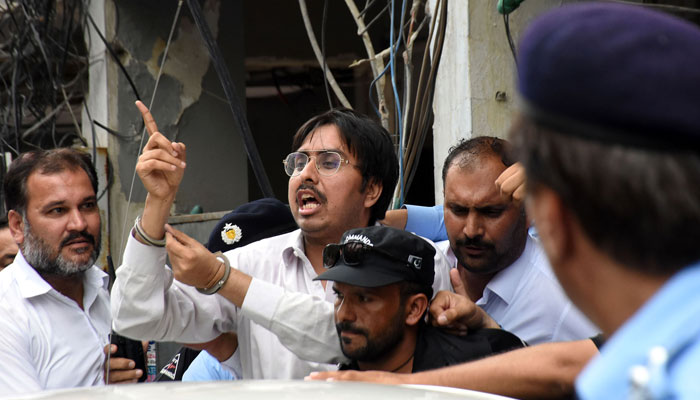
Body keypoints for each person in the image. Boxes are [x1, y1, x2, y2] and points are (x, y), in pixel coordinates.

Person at [111, 104, 453, 379]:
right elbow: (134, 318)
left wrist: (222, 279)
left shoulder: (418, 261)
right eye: (299, 162)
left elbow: (338, 338)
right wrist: (158, 202)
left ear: (373, 189)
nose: (305, 174)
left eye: (329, 162)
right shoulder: (250, 261)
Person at [0, 149, 142, 394]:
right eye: (58, 210)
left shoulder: (105, 290)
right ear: (17, 225)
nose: (79, 224)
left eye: (87, 205)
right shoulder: (7, 312)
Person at [317, 225, 523, 373]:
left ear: (414, 308)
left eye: (364, 299)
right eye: (339, 295)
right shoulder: (336, 383)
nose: (344, 314)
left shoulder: (478, 369)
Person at [156, 197, 299, 382]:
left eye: (238, 278)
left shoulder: (324, 324)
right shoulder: (211, 352)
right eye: (217, 279)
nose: (225, 292)